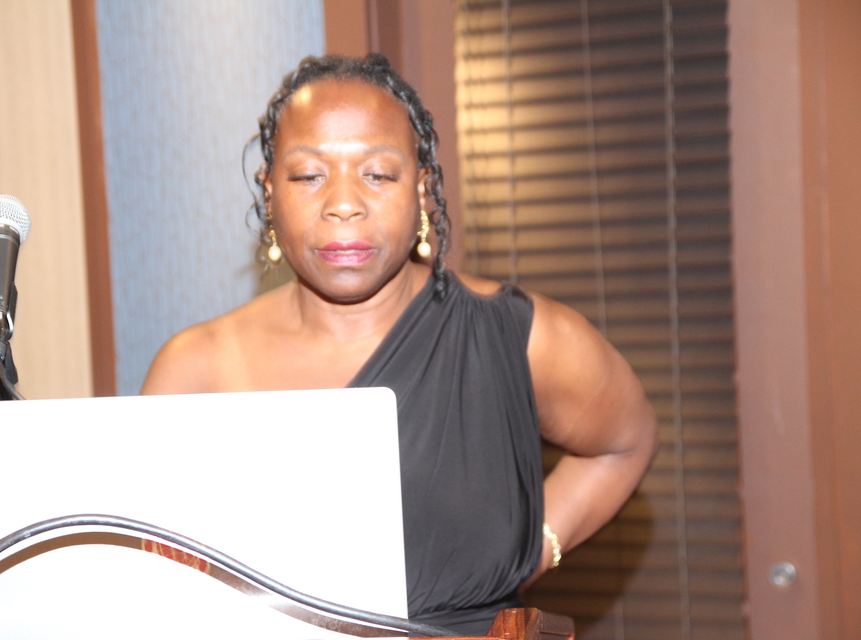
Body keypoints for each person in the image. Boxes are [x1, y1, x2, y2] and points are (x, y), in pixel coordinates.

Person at [142, 53, 658, 636]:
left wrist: (528, 550)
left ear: (422, 187)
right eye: (308, 175)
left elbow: (626, 443)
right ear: (268, 191)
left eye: (379, 174)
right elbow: (150, 572)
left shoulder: (519, 337)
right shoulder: (196, 370)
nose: (343, 203)